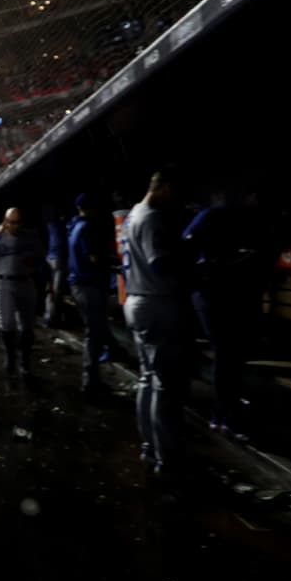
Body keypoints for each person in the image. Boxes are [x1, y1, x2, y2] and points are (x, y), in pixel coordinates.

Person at [181, 189, 274, 441]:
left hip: (235, 296)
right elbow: (186, 247)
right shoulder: (215, 216)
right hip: (212, 295)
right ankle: (225, 416)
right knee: (227, 353)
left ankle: (224, 409)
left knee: (233, 354)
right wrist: (210, 268)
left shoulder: (259, 225)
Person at [120, 170, 193, 476]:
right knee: (165, 385)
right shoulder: (151, 218)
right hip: (156, 301)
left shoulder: (132, 215)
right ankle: (168, 459)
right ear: (163, 187)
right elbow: (160, 263)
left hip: (137, 299)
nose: (175, 198)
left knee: (148, 379)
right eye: (173, 191)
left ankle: (150, 448)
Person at [0, 207, 44, 374]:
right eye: (11, 222)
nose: (15, 226)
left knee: (27, 325)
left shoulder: (29, 237)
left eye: (18, 222)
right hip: (4, 282)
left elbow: (40, 257)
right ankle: (10, 356)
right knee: (7, 323)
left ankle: (25, 360)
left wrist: (33, 262)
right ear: (5, 222)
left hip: (25, 281)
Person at [69, 194, 118, 396]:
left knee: (96, 331)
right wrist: (113, 264)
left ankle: (94, 376)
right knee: (94, 333)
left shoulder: (74, 226)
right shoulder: (87, 228)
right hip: (88, 285)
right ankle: (90, 382)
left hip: (80, 285)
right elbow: (94, 258)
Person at [43, 205, 69, 328]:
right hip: (57, 258)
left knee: (52, 290)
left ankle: (50, 316)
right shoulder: (59, 226)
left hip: (51, 257)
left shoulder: (51, 225)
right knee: (57, 291)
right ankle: (53, 318)